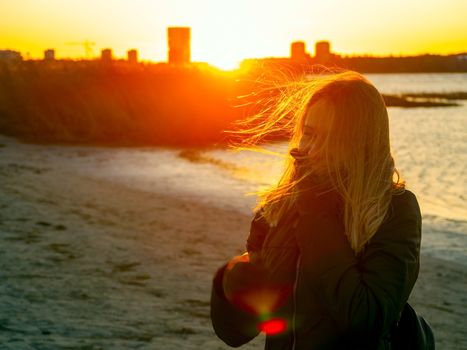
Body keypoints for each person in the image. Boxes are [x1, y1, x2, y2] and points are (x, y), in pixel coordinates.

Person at [210, 71, 430, 349]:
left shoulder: (394, 210)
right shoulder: (280, 208)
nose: (310, 149)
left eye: (328, 139)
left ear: (358, 144)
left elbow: (369, 320)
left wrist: (317, 215)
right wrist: (228, 286)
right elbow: (236, 334)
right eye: (309, 134)